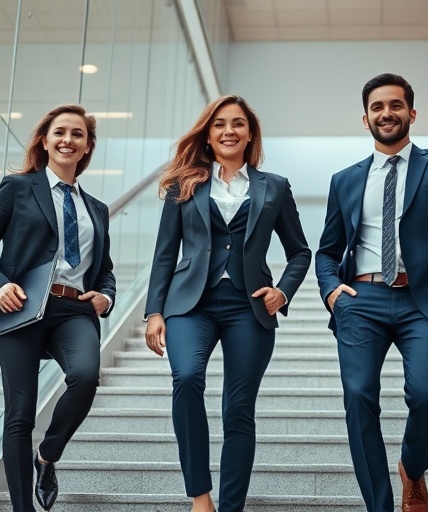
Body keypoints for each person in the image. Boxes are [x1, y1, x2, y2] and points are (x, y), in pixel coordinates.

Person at [315, 73, 428, 512]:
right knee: (359, 396)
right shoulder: (345, 180)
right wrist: (332, 292)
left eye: (395, 106)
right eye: (377, 107)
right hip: (362, 300)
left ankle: (412, 468)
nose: (386, 114)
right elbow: (327, 251)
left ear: (411, 113)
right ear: (365, 119)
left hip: (425, 299)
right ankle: (379, 505)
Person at [144, 95, 311, 512]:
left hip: (249, 306)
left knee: (238, 408)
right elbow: (166, 252)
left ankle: (231, 506)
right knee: (186, 379)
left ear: (250, 132)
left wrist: (283, 291)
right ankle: (201, 497)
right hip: (190, 303)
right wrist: (154, 311)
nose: (229, 131)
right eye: (219, 124)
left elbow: (300, 251)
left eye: (238, 123)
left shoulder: (274, 186)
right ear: (208, 133)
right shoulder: (186, 184)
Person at [0, 104, 116, 511]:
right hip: (19, 308)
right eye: (60, 132)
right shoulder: (17, 188)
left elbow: (104, 271)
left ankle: (47, 456)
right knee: (20, 414)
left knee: (85, 377)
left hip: (73, 310)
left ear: (87, 147)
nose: (68, 140)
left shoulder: (97, 209)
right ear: (45, 140)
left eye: (78, 135)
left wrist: (107, 296)